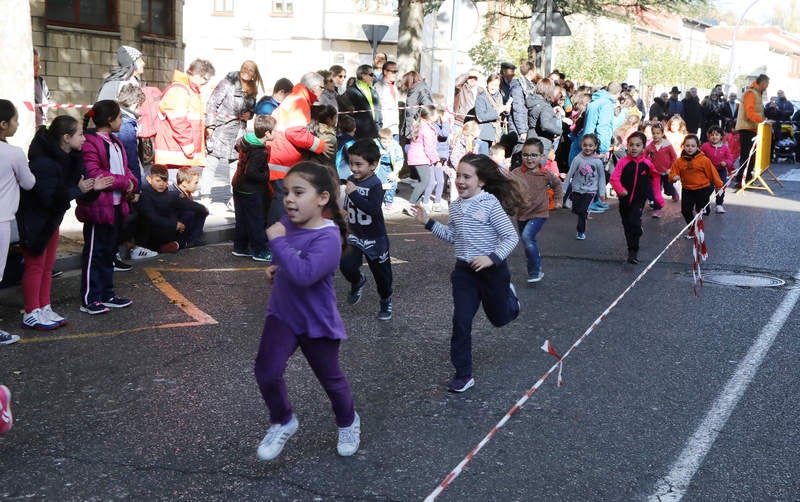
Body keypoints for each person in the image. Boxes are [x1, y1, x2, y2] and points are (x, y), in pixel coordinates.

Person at [254, 162, 360, 461]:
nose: (289, 199)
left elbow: (305, 275)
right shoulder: (286, 225)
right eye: (286, 192)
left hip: (316, 320)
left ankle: (348, 421)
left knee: (331, 379)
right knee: (266, 371)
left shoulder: (328, 238)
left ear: (322, 198)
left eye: (298, 192)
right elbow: (289, 262)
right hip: (283, 314)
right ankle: (283, 419)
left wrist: (278, 243)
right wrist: (274, 267)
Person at [412, 153, 522, 393]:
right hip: (465, 273)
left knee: (500, 318)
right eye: (458, 176)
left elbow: (510, 236)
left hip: (493, 272)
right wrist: (428, 222)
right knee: (461, 321)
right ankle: (463, 374)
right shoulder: (456, 206)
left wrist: (491, 258)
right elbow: (453, 237)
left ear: (481, 181)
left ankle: (510, 299)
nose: (460, 181)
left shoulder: (490, 203)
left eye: (467, 176)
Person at [18, 115, 111, 330]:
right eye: (80, 134)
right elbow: (48, 197)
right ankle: (32, 311)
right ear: (66, 137)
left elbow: (78, 190)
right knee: (35, 265)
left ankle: (44, 306)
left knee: (47, 266)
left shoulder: (73, 158)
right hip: (35, 220)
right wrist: (79, 190)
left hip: (51, 220)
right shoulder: (43, 163)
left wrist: (91, 189)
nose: (84, 139)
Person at [77, 100, 139, 314]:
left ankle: (107, 293)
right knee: (95, 253)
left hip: (115, 206)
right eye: (120, 117)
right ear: (110, 120)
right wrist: (125, 182)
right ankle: (90, 298)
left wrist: (132, 182)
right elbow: (95, 174)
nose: (123, 121)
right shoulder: (90, 142)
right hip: (97, 207)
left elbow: (125, 168)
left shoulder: (115, 141)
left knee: (108, 252)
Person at [269, 72, 334, 232]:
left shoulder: (294, 98)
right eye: (322, 88)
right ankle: (275, 237)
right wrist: (319, 145)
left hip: (280, 157)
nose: (322, 92)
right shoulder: (299, 101)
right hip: (284, 160)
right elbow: (295, 132)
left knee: (282, 198)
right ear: (315, 87)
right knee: (282, 200)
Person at [339, 139, 393, 320]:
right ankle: (357, 281)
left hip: (375, 238)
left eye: (359, 164)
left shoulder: (375, 184)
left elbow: (373, 209)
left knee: (382, 276)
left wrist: (353, 193)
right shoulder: (352, 180)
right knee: (346, 265)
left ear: (373, 165)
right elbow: (349, 202)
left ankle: (385, 300)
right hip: (355, 235)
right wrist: (344, 211)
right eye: (351, 163)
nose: (354, 168)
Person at [0, 100, 37, 343]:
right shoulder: (13, 153)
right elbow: (29, 183)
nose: (17, 124)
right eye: (14, 120)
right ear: (3, 125)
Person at [204, 60, 263, 207]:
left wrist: (250, 115)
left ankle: (233, 197)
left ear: (255, 74)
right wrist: (210, 126)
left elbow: (252, 109)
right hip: (221, 129)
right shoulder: (227, 83)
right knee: (211, 163)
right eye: (244, 68)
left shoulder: (252, 88)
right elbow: (212, 103)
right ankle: (205, 196)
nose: (247, 72)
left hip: (238, 132)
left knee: (236, 165)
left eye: (251, 70)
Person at [114, 84, 156, 265]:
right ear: (134, 104)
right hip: (127, 181)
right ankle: (126, 249)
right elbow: (131, 159)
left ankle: (128, 247)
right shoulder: (126, 126)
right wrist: (136, 186)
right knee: (128, 217)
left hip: (123, 180)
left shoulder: (123, 122)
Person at [511, 138, 562, 283]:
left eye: (534, 155)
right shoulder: (516, 173)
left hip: (539, 212)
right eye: (525, 155)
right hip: (522, 213)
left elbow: (557, 185)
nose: (529, 158)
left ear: (541, 156)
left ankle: (535, 272)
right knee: (527, 241)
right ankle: (534, 261)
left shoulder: (545, 174)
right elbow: (507, 188)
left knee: (527, 237)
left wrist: (558, 201)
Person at [154, 59, 216, 177]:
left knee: (180, 189)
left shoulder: (188, 90)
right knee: (175, 188)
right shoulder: (180, 90)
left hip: (178, 151)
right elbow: (178, 121)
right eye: (206, 79)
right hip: (175, 151)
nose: (206, 83)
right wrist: (188, 145)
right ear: (197, 75)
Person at [231, 114, 275, 261]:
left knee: (242, 219)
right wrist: (265, 177)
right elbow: (252, 172)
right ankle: (260, 250)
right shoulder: (260, 151)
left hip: (238, 185)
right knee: (256, 220)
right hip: (251, 190)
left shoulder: (246, 140)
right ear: (267, 133)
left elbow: (237, 145)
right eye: (275, 130)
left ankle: (240, 247)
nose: (276, 133)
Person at [137, 165, 208, 253]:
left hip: (168, 228)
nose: (161, 184)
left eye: (164, 180)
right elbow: (153, 218)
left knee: (196, 211)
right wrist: (174, 224)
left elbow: (186, 203)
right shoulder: (145, 195)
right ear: (149, 179)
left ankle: (187, 242)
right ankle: (182, 244)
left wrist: (203, 208)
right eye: (158, 181)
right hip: (152, 232)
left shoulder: (167, 193)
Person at [609, 131, 655, 265]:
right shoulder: (623, 162)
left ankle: (633, 252)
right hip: (624, 200)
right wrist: (620, 189)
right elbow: (614, 178)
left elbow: (655, 177)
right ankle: (633, 238)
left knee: (634, 222)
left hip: (639, 200)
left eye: (638, 145)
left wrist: (655, 195)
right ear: (627, 146)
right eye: (631, 145)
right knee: (627, 225)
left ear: (643, 147)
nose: (634, 148)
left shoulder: (647, 164)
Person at [670, 135, 724, 231]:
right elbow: (672, 173)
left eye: (693, 146)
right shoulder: (679, 161)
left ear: (697, 147)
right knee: (685, 211)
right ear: (683, 146)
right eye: (687, 145)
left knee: (700, 210)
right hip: (687, 189)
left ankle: (700, 224)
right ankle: (692, 229)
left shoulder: (704, 160)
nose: (690, 148)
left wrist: (719, 186)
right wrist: (673, 177)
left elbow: (713, 174)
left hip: (702, 189)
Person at [564, 133, 605, 240]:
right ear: (581, 145)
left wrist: (602, 193)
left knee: (583, 212)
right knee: (576, 210)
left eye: (590, 145)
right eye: (585, 145)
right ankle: (574, 200)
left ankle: (580, 231)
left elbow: (601, 178)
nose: (587, 148)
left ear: (595, 146)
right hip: (577, 189)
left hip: (591, 191)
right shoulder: (578, 159)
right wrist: (564, 189)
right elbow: (570, 174)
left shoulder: (598, 162)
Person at [734, 74, 769, 187]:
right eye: (767, 84)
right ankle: (741, 180)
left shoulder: (756, 93)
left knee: (750, 156)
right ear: (762, 83)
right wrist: (762, 120)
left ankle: (746, 178)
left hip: (751, 128)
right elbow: (750, 113)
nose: (767, 86)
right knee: (746, 155)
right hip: (747, 128)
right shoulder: (751, 93)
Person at [406, 105, 440, 208]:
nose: (437, 115)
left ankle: (416, 205)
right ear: (430, 116)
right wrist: (436, 160)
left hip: (417, 157)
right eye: (435, 113)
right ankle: (411, 203)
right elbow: (429, 148)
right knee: (425, 181)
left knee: (422, 181)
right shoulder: (427, 129)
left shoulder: (420, 125)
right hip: (421, 157)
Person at [171, 167, 208, 248]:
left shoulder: (186, 192)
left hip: (177, 224)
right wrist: (203, 208)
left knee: (199, 211)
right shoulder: (176, 193)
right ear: (184, 183)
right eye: (195, 183)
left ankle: (194, 239)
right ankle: (186, 241)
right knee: (192, 212)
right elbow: (188, 205)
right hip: (172, 225)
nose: (197, 186)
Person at [583, 82, 623, 156]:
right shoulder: (606, 104)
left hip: (587, 143)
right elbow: (603, 127)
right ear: (618, 93)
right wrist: (602, 150)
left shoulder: (595, 100)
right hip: (595, 147)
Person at [525, 78, 563, 157]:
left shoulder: (532, 101)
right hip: (541, 142)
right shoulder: (545, 106)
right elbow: (545, 125)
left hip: (530, 137)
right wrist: (559, 131)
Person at [700, 125, 733, 214]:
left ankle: (719, 205)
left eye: (717, 134)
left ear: (721, 136)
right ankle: (706, 205)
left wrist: (726, 163)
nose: (714, 137)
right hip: (708, 171)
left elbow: (730, 159)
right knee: (708, 188)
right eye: (712, 135)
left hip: (721, 171)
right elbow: (700, 156)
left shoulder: (725, 148)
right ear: (709, 136)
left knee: (720, 188)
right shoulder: (705, 146)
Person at [645, 122, 679, 205]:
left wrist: (671, 168)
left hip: (666, 171)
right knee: (655, 189)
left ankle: (673, 192)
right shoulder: (650, 146)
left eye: (658, 133)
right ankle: (656, 203)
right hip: (655, 172)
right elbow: (644, 156)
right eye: (653, 133)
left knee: (668, 189)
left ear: (662, 134)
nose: (655, 135)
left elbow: (674, 157)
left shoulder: (667, 144)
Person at [474, 74, 509, 152]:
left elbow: (500, 115)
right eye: (492, 84)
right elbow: (481, 117)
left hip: (497, 135)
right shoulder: (481, 98)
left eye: (496, 85)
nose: (494, 87)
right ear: (487, 84)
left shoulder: (500, 97)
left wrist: (506, 111)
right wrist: (498, 111)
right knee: (484, 161)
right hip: (484, 136)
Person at [345, 64, 381, 139]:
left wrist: (379, 123)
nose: (373, 77)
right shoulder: (351, 91)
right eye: (371, 74)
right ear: (363, 75)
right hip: (360, 131)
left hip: (375, 129)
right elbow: (349, 111)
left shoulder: (372, 89)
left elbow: (378, 107)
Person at [375, 127, 404, 211]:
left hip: (392, 166)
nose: (386, 144)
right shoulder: (376, 144)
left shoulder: (395, 146)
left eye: (388, 142)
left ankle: (389, 203)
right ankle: (378, 201)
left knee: (392, 184)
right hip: (380, 166)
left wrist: (394, 173)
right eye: (384, 142)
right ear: (379, 140)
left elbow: (400, 160)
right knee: (380, 184)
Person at [307, 104, 338, 177]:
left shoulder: (309, 132)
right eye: (335, 118)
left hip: (309, 174)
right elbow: (329, 163)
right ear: (329, 120)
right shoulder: (330, 138)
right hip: (326, 176)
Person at [400, 71, 433, 140]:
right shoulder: (415, 89)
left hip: (416, 128)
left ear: (410, 81)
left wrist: (417, 119)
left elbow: (427, 107)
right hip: (411, 127)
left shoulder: (422, 89)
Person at [373, 61, 400, 140]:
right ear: (385, 72)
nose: (395, 74)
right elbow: (375, 106)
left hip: (395, 126)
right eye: (393, 72)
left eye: (396, 71)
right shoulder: (378, 86)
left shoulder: (394, 86)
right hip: (384, 128)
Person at [335, 114, 358, 183]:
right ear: (354, 129)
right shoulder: (351, 143)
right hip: (344, 175)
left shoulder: (336, 138)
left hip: (333, 171)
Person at [33, 49, 50, 127]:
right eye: (35, 63)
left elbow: (48, 98)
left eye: (39, 63)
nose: (39, 67)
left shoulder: (41, 81)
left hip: (42, 129)